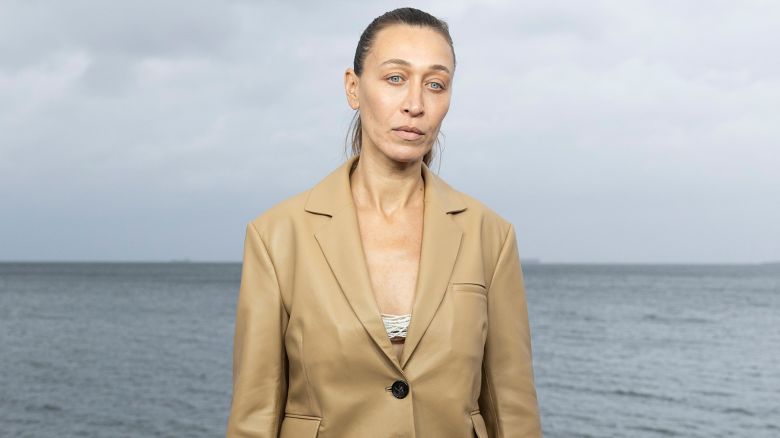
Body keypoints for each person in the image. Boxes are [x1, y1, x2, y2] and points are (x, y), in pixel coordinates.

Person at [226, 7, 541, 438]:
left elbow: (513, 409)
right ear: (353, 88)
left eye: (435, 84)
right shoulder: (277, 237)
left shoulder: (491, 236)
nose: (415, 104)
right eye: (395, 78)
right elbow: (254, 415)